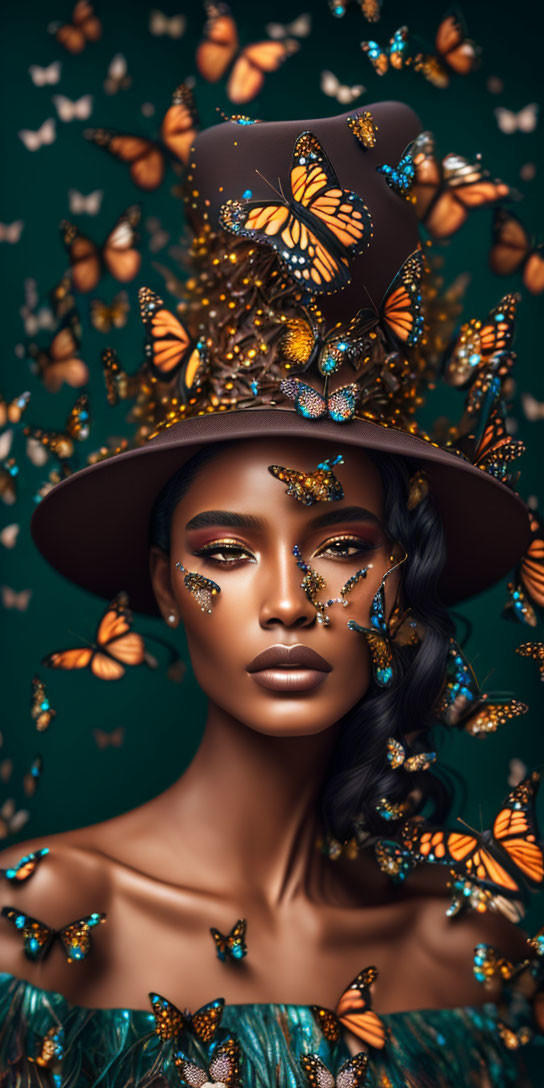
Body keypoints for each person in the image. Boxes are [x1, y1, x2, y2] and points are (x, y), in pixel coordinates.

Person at [0, 103, 542, 1087]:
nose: (288, 600)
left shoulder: (465, 950)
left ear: (399, 581)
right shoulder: (40, 923)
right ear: (166, 582)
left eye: (340, 544)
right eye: (227, 550)